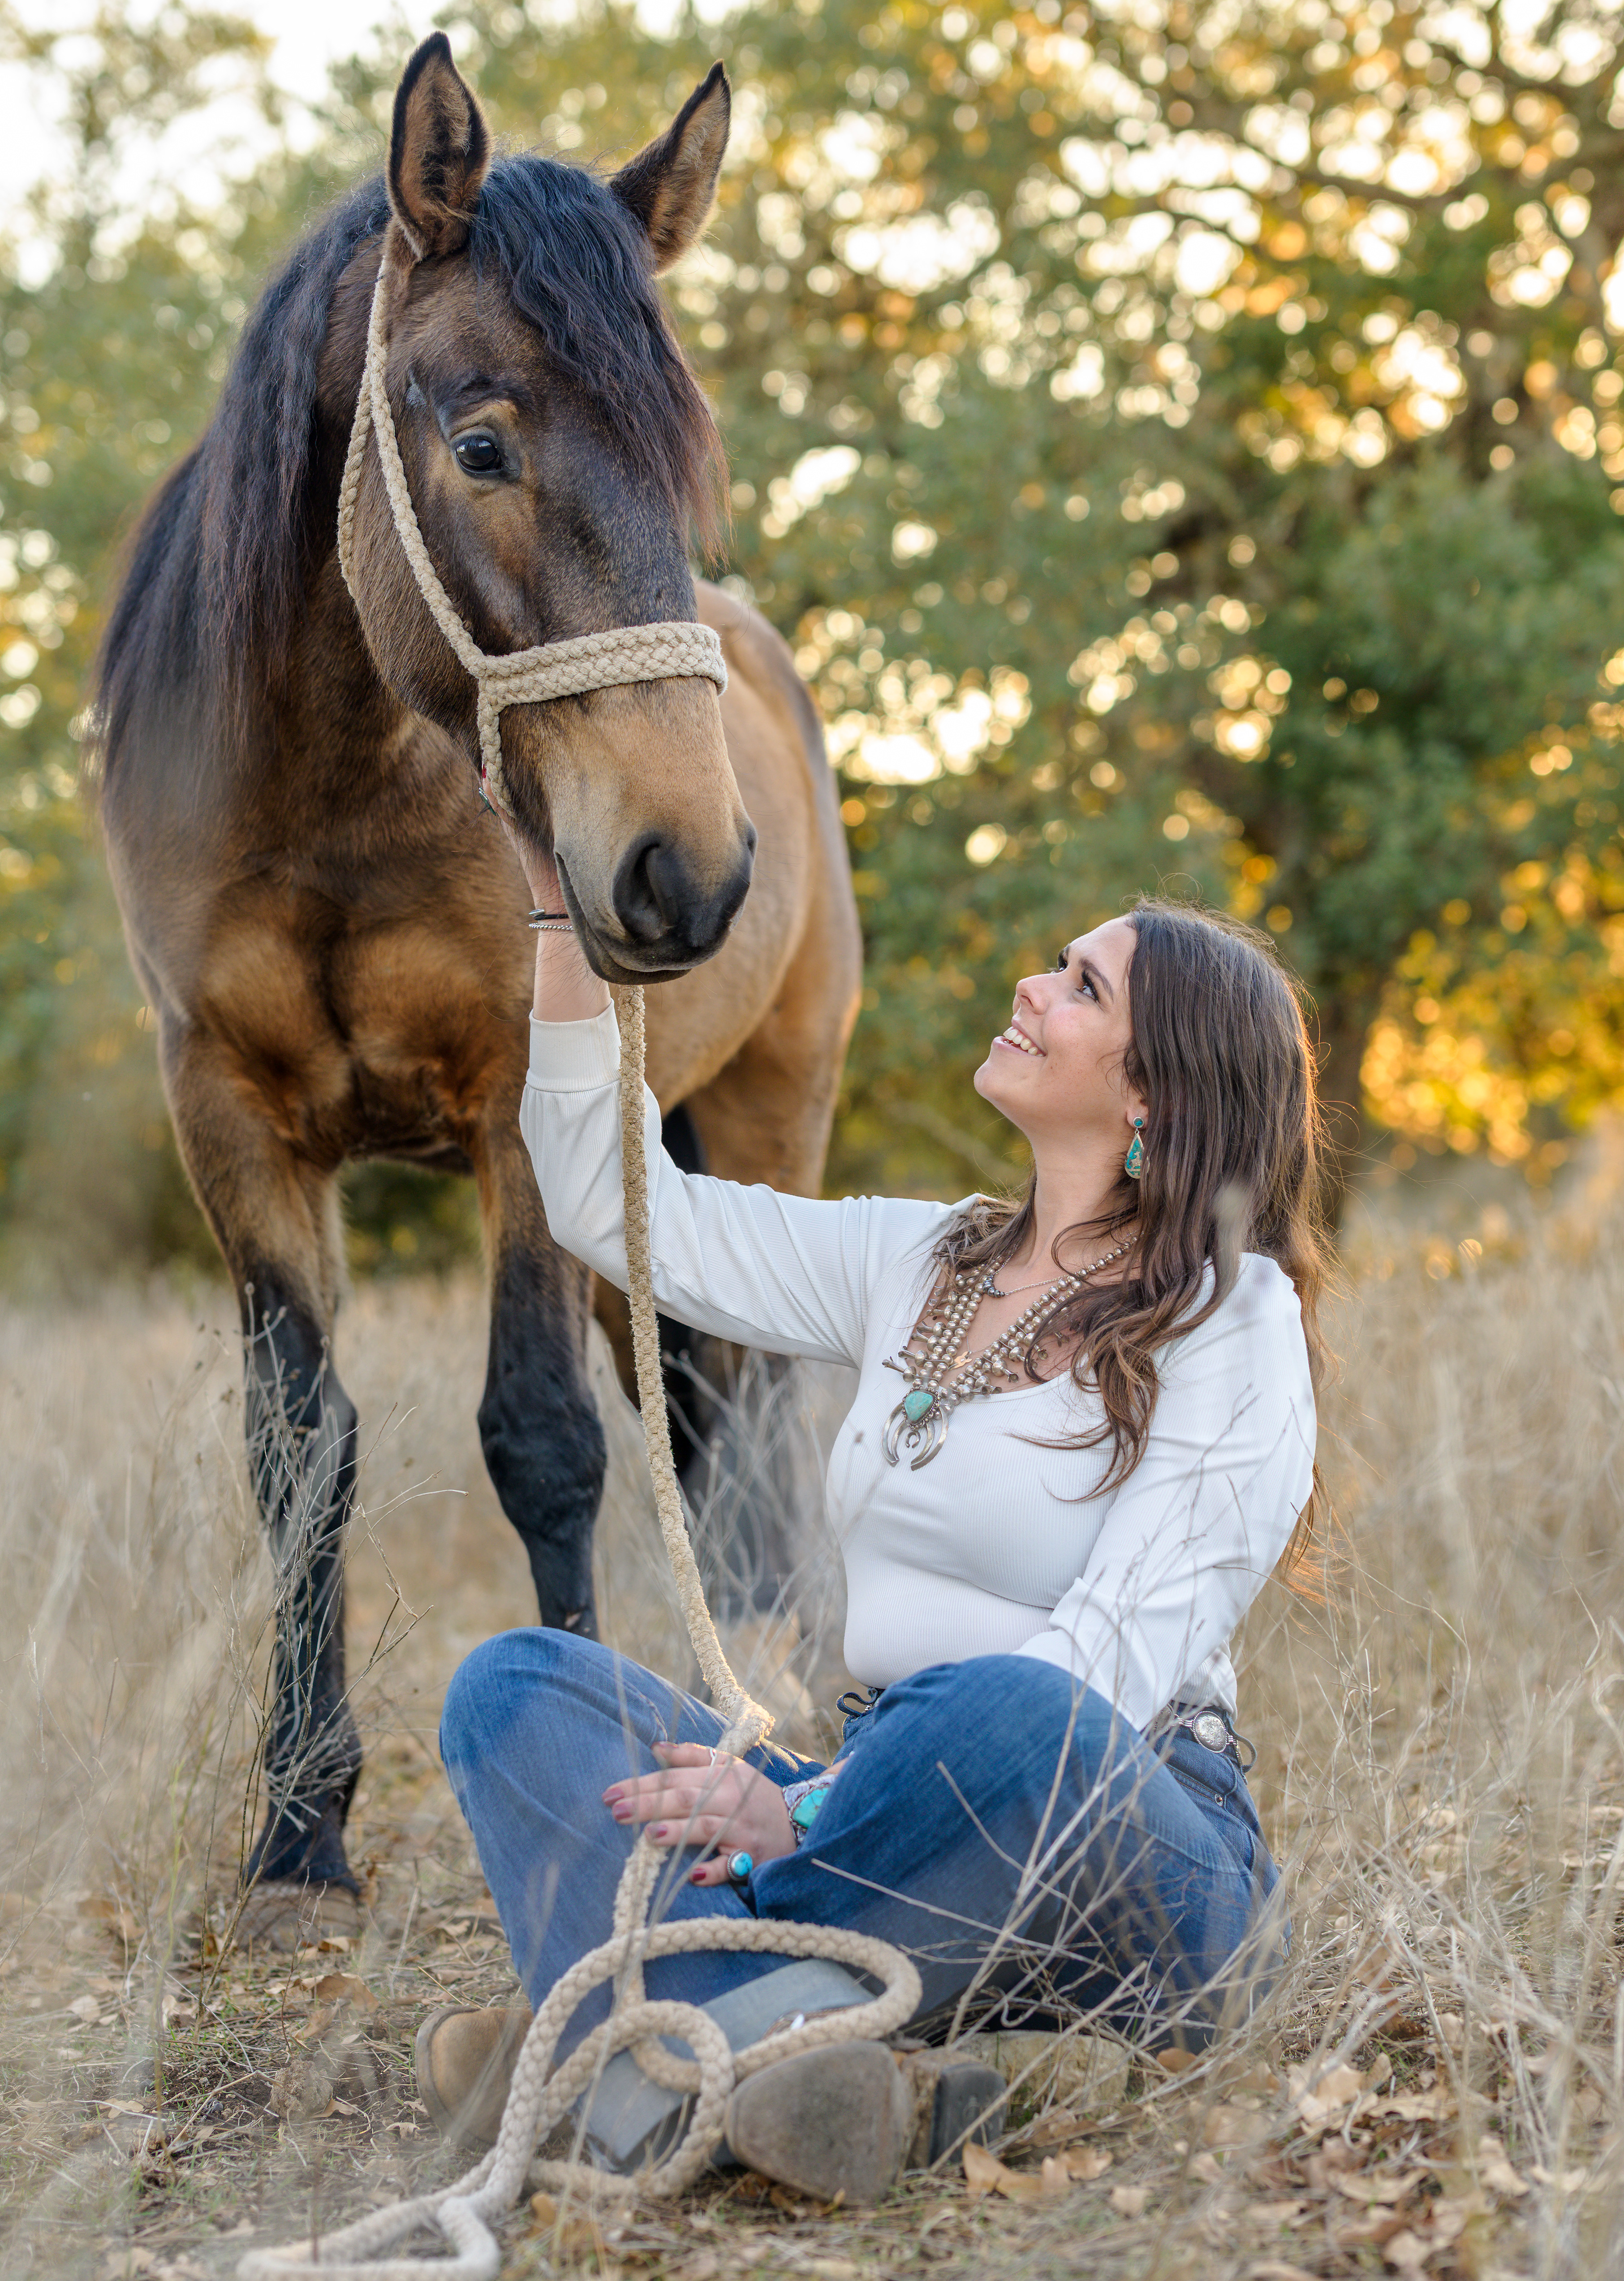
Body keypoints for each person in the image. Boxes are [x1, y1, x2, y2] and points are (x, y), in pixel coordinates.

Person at [417, 827, 1324, 2203]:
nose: (1031, 985)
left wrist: (805, 1812)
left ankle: (633, 2037)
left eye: (1082, 986)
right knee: (516, 1688)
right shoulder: (920, 1254)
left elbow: (1108, 1667)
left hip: (1119, 1840)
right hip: (880, 1821)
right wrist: (565, 923)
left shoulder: (1231, 1315)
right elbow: (620, 1211)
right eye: (1057, 963)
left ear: (1158, 1090)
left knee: (1007, 1706)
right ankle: (798, 2063)